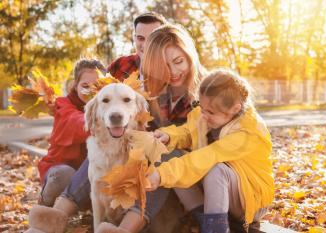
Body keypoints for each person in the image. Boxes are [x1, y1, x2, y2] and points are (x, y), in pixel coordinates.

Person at [25, 12, 167, 233]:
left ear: (164, 39)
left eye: (153, 37)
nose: (145, 44)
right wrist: (65, 105)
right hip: (114, 142)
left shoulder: (174, 69)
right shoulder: (121, 66)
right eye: (140, 37)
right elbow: (92, 91)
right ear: (133, 38)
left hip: (151, 148)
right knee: (96, 153)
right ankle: (54, 219)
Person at [96, 23, 206, 233]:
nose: (173, 72)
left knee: (164, 155)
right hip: (160, 180)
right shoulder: (155, 94)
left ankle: (203, 218)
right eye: (164, 65)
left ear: (189, 55)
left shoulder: (205, 91)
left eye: (178, 61)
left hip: (199, 177)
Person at [145, 69, 274, 233]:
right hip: (219, 192)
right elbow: (188, 131)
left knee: (215, 169)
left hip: (250, 200)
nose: (203, 115)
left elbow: (206, 157)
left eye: (210, 112)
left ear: (235, 109)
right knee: (170, 155)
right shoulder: (207, 113)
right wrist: (169, 136)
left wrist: (161, 175)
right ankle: (204, 218)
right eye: (201, 107)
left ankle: (215, 229)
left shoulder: (248, 132)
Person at [24, 58, 106, 233]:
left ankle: (90, 213)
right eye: (85, 85)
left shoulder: (109, 107)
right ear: (75, 85)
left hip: (90, 178)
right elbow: (77, 123)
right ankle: (46, 208)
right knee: (64, 175)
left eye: (97, 86)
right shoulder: (63, 105)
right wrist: (102, 124)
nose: (91, 91)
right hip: (63, 172)